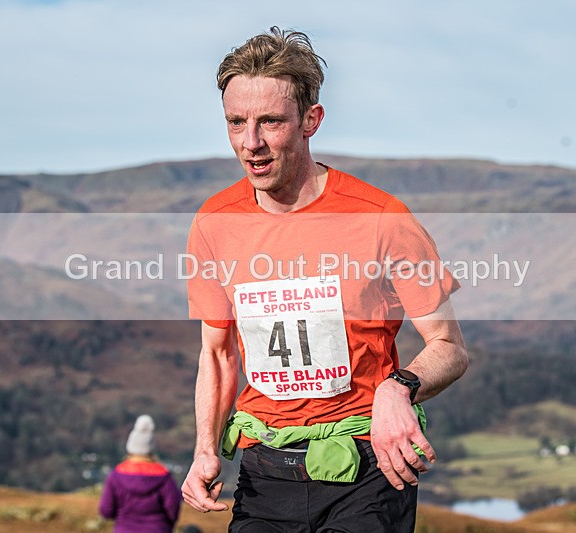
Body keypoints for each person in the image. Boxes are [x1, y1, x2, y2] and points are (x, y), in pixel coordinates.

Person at [182, 27, 468, 532]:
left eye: (270, 122)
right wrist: (206, 449)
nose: (251, 143)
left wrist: (397, 389)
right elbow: (218, 352)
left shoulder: (382, 217)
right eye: (236, 123)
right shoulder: (213, 222)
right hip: (264, 473)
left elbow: (448, 346)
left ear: (311, 120)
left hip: (369, 468)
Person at [99, 415, 182, 533]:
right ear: (151, 448)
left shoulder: (115, 476)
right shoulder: (165, 477)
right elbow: (173, 511)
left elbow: (106, 511)